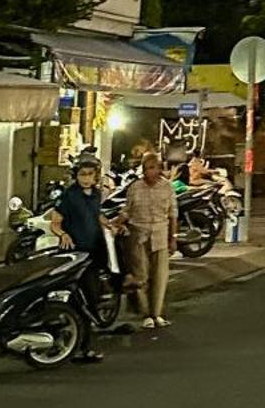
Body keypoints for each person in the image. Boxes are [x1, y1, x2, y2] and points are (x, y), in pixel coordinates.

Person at [44, 156, 112, 362]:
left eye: (90, 174)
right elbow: (56, 222)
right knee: (82, 301)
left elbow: (96, 215)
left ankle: (83, 344)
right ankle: (83, 347)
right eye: (82, 174)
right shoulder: (68, 196)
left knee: (92, 299)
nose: (86, 178)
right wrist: (63, 235)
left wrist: (109, 224)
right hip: (75, 255)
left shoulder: (96, 195)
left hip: (94, 252)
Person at [122, 150, 177, 328]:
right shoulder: (135, 187)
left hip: (160, 234)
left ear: (159, 168)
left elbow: (173, 214)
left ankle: (157, 313)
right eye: (146, 168)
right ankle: (145, 314)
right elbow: (126, 211)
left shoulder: (167, 187)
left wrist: (173, 238)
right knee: (141, 275)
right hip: (139, 234)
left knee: (160, 276)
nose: (149, 172)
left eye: (153, 168)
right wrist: (115, 222)